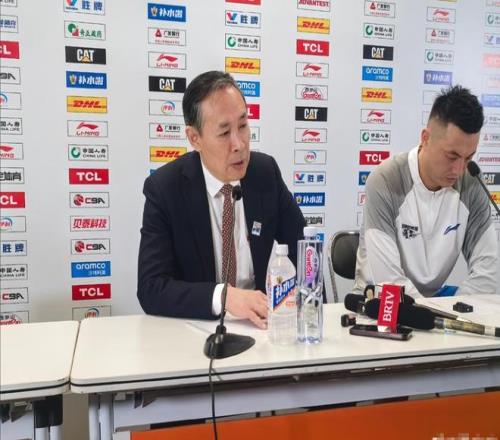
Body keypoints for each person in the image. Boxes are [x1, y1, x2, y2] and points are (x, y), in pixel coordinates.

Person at [137, 71, 306, 328]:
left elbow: (304, 252)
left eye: (243, 126)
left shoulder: (265, 173)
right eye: (225, 132)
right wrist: (223, 297)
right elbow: (151, 287)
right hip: (196, 331)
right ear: (195, 139)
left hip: (261, 329)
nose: (239, 144)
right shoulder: (165, 189)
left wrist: (311, 317)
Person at [354, 85, 498, 297]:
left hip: (435, 304)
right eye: (452, 156)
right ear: (425, 138)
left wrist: (455, 310)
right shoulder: (385, 180)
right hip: (378, 302)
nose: (459, 170)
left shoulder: (472, 182)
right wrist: (434, 313)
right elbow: (388, 281)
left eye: (468, 158)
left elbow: (488, 273)